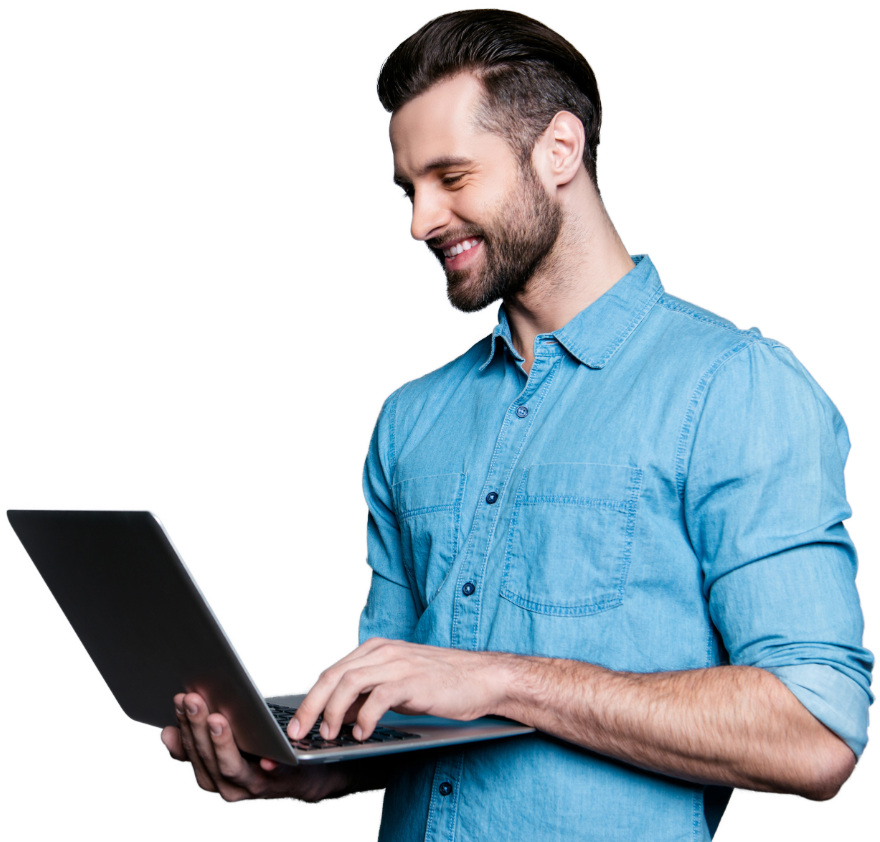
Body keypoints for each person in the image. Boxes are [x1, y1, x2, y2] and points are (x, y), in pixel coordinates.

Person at [161, 9, 873, 838]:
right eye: (408, 188)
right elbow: (398, 717)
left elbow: (817, 731)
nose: (420, 221)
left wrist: (502, 680)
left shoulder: (733, 386)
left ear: (558, 150)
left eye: (452, 177)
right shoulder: (410, 419)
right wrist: (304, 770)